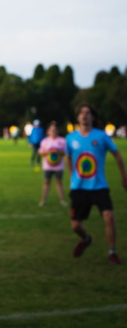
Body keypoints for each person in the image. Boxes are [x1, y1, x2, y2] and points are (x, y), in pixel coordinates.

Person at [64, 104, 126, 265]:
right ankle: (86, 239)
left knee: (109, 216)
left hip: (99, 186)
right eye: (82, 113)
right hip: (79, 188)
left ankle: (112, 251)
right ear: (78, 117)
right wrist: (72, 177)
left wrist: (124, 177)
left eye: (88, 113)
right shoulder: (71, 138)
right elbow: (67, 157)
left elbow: (117, 155)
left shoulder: (102, 136)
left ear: (93, 117)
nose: (84, 116)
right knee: (75, 225)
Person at [38, 122, 68, 207]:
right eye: (51, 130)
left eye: (55, 130)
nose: (53, 131)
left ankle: (62, 200)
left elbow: (66, 152)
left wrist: (58, 152)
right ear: (48, 131)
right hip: (47, 166)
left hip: (59, 166)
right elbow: (40, 152)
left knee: (59, 182)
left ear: (57, 131)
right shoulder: (45, 141)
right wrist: (48, 152)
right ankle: (43, 200)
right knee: (46, 182)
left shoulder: (62, 141)